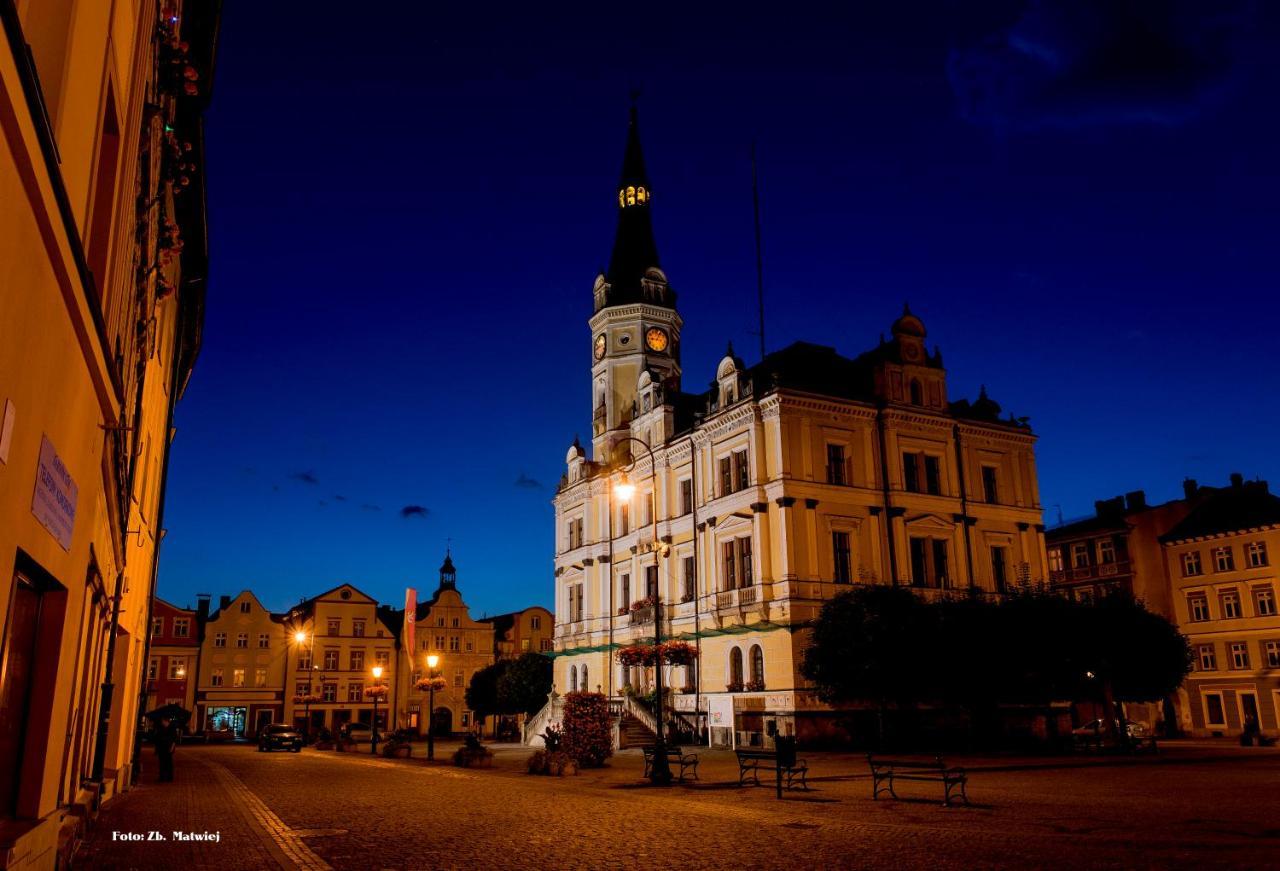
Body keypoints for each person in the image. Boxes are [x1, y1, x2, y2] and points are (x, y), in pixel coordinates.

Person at [155, 716, 178, 782]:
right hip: (161, 748)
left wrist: (172, 747)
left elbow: (174, 739)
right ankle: (162, 777)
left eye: (163, 721)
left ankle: (169, 777)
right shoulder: (161, 728)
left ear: (166, 721)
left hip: (168, 748)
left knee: (168, 763)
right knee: (162, 763)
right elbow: (158, 737)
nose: (162, 723)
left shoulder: (172, 728)